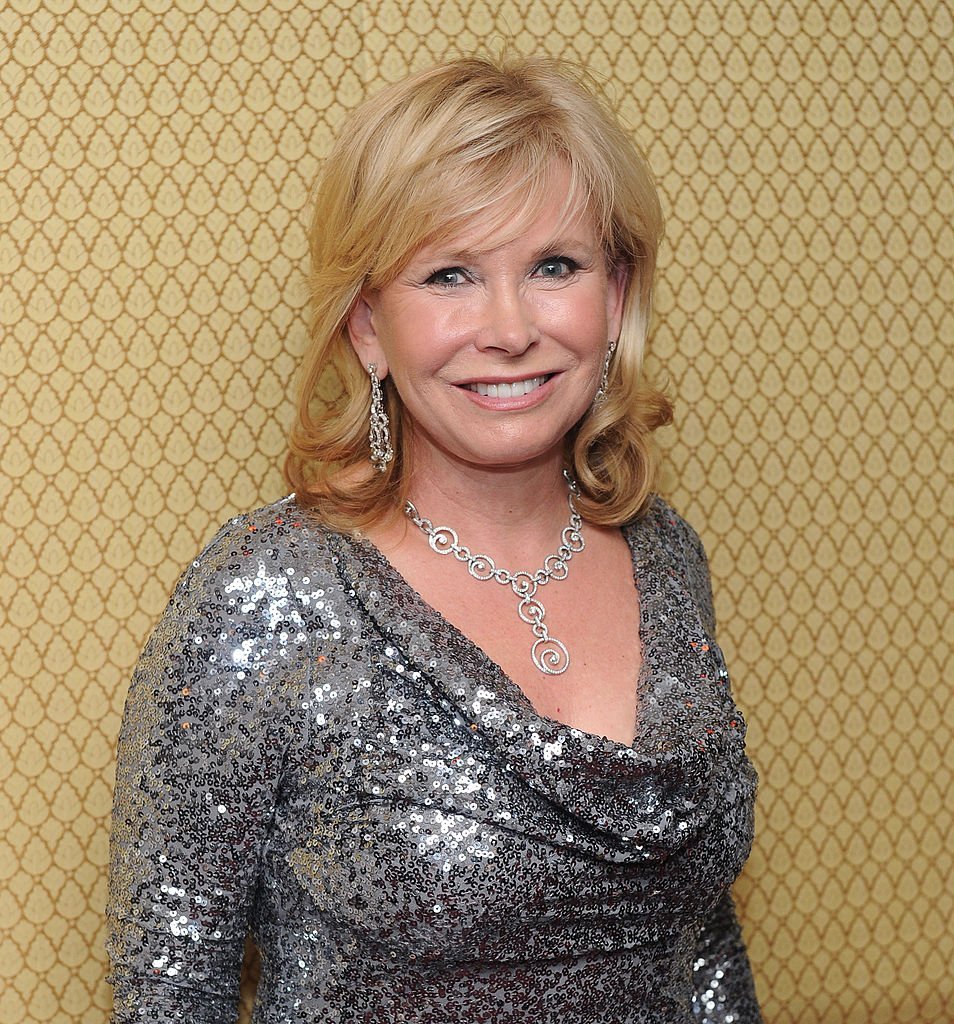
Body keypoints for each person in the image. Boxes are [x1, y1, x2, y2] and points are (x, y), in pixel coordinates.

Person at [106, 53, 762, 1023]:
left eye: (554, 267)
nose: (508, 327)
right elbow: (170, 993)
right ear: (370, 326)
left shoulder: (666, 558)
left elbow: (702, 948)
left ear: (614, 297)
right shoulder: (269, 597)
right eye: (450, 274)